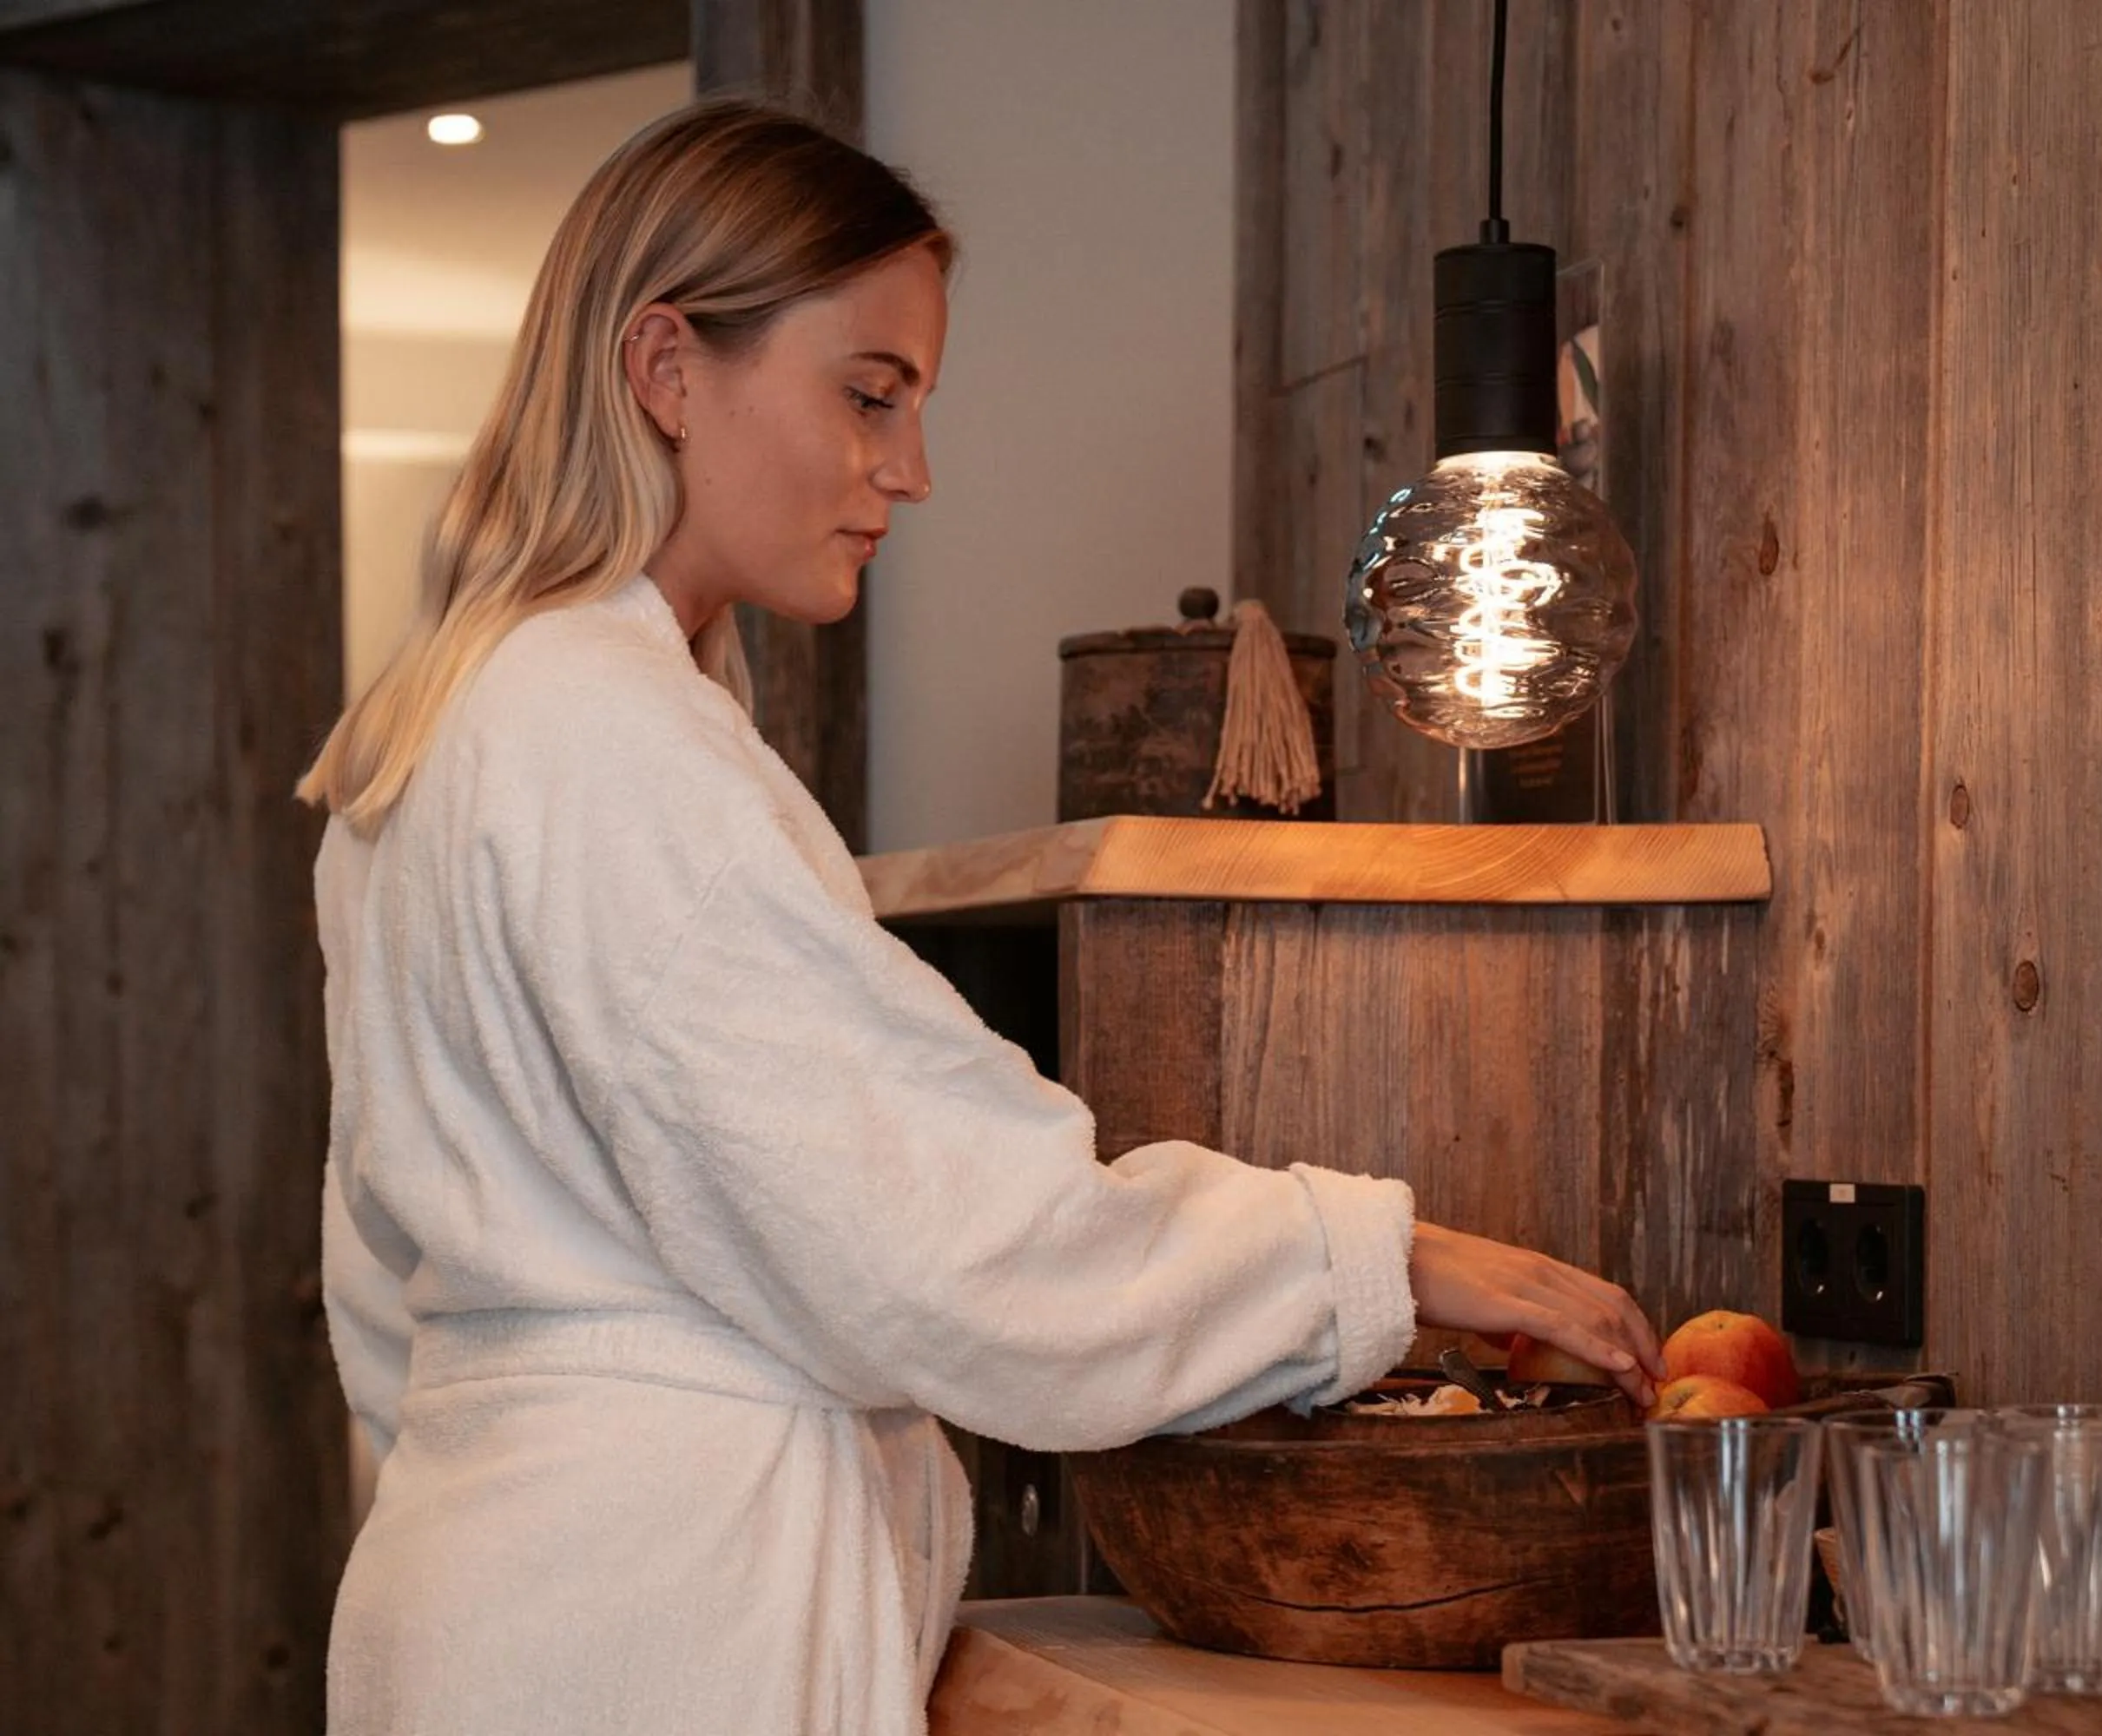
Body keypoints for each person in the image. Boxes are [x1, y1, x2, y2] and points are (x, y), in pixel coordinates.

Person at [299, 100, 1662, 1736]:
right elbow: (957, 1242)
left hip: (478, 1604)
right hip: (648, 1631)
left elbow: (382, 1288)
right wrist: (1384, 1259)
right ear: (665, 367)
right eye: (869, 396)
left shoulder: (439, 727)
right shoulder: (605, 740)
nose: (911, 469)